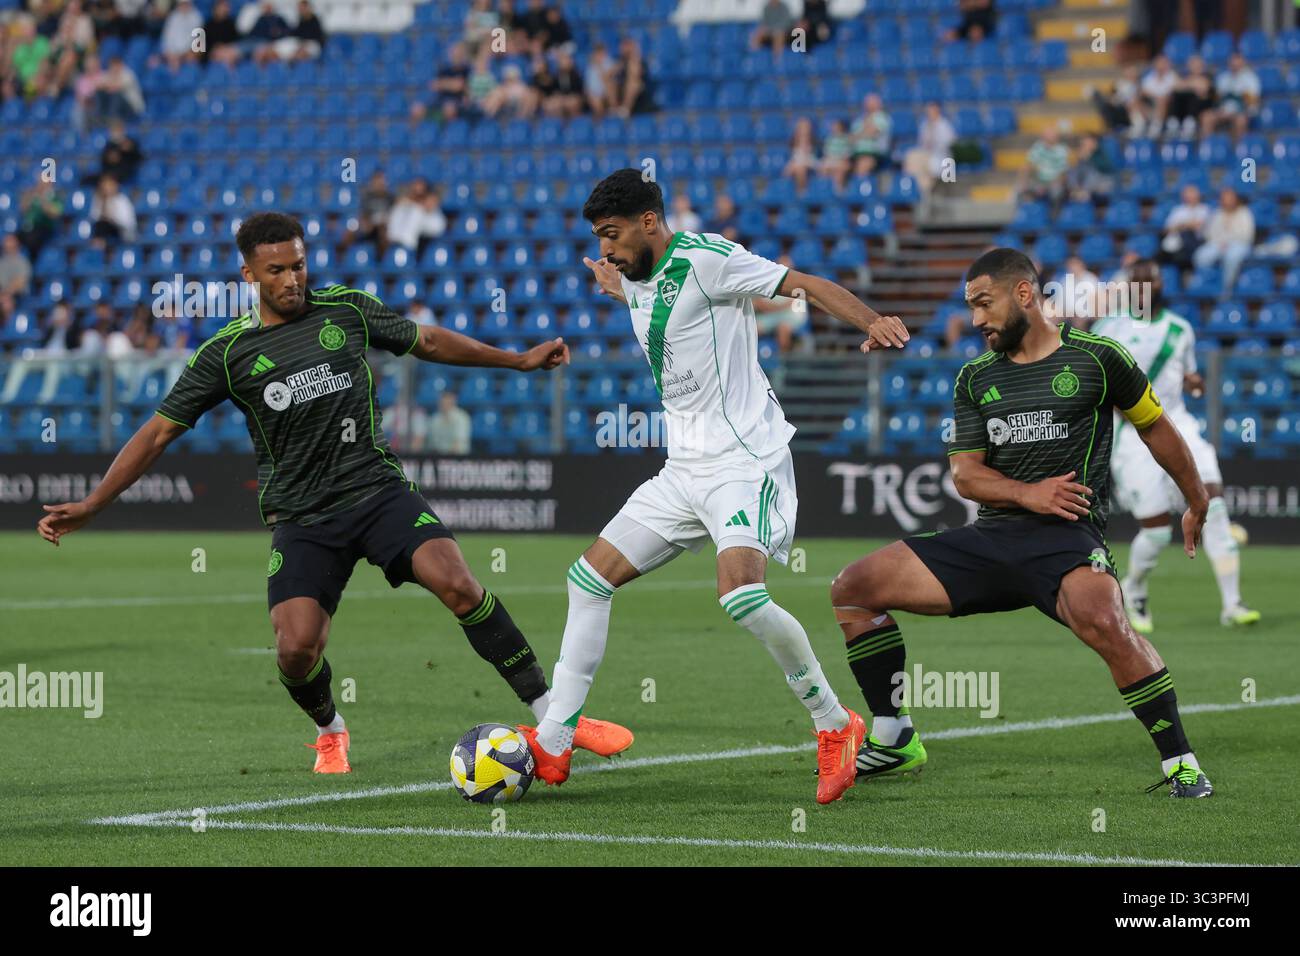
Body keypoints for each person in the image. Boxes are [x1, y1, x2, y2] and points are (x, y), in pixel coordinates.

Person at [37, 211, 632, 775]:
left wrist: (516, 361)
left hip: (376, 492)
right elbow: (159, 430)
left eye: (298, 264)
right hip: (303, 518)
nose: (292, 278)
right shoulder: (227, 354)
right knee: (296, 650)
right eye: (276, 270)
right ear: (249, 275)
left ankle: (553, 719)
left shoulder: (344, 310)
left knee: (457, 582)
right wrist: (93, 503)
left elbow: (424, 340)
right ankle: (330, 728)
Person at [521, 169, 910, 804]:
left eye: (613, 236)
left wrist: (873, 319)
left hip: (743, 463)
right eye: (599, 239)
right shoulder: (639, 278)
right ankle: (557, 736)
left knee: (740, 596)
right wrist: (616, 285)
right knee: (586, 580)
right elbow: (656, 304)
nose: (609, 249)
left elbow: (801, 284)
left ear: (651, 222)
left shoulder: (709, 259)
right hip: (683, 472)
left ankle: (835, 724)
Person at [828, 247, 1214, 798]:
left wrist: (1196, 499)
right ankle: (894, 737)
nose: (977, 319)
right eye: (972, 307)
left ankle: (1181, 762)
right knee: (853, 588)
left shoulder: (1100, 358)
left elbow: (1156, 427)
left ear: (1024, 294)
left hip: (1067, 540)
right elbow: (966, 476)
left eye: (985, 304)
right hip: (993, 537)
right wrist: (1029, 494)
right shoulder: (974, 378)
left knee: (1107, 622)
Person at [1092, 260, 1259, 633]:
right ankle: (1134, 589)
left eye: (1153, 280)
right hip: (1133, 433)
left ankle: (1232, 603)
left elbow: (1184, 374)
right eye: (1140, 281)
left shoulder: (1180, 329)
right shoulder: (1109, 329)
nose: (1147, 287)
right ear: (1130, 287)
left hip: (1179, 424)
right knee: (1155, 530)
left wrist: (1194, 382)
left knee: (1213, 502)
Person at [1192, 188, 1254, 296]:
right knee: (1200, 256)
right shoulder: (1217, 213)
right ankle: (1208, 285)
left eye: (1230, 199)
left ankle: (1226, 289)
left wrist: (1228, 242)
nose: (1227, 201)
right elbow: (1209, 234)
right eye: (1224, 199)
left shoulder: (1244, 213)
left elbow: (1247, 235)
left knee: (1232, 257)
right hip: (1218, 244)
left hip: (1239, 244)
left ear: (1235, 200)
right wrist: (1220, 243)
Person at [903, 101, 956, 202]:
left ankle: (926, 194)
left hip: (942, 157)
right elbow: (922, 143)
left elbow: (947, 143)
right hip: (927, 156)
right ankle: (920, 193)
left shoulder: (944, 125)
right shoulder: (924, 125)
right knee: (912, 157)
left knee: (932, 166)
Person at [1205, 52, 1260, 139]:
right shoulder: (1223, 78)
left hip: (1241, 112)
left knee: (1240, 121)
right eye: (1232, 62)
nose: (1234, 65)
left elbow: (1252, 102)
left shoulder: (1251, 79)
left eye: (1237, 62)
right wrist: (1220, 110)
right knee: (1207, 117)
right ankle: (1207, 148)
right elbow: (1217, 99)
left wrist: (1234, 112)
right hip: (1223, 111)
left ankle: (1239, 150)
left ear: (1242, 63)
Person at [386, 179, 447, 254]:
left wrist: (427, 211)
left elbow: (438, 229)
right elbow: (391, 233)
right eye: (415, 194)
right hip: (395, 247)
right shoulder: (401, 207)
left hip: (419, 250)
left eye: (421, 195)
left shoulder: (434, 213)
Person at [1159, 184, 1209, 270]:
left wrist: (1181, 225)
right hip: (1175, 242)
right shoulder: (1178, 210)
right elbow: (1167, 229)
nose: (1190, 197)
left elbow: (1197, 226)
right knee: (1160, 255)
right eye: (1188, 194)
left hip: (1195, 242)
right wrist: (1185, 225)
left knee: (1186, 234)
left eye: (1193, 194)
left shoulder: (1204, 209)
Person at [1019, 124, 1070, 208]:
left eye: (1052, 134)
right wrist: (1024, 182)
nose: (1049, 137)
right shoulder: (1037, 147)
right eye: (1047, 134)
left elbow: (1063, 173)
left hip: (1055, 182)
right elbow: (1028, 165)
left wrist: (1050, 184)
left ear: (1056, 136)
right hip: (1038, 180)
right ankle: (1025, 214)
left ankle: (1054, 216)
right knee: (1020, 191)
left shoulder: (1062, 150)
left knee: (1056, 192)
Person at [89, 173, 137, 248]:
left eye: (109, 185)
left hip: (121, 232)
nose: (106, 188)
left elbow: (128, 223)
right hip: (103, 231)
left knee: (103, 225)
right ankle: (98, 248)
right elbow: (93, 218)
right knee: (101, 225)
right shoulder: (98, 199)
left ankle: (99, 247)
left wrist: (111, 218)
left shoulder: (122, 200)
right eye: (104, 185)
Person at [850, 93, 891, 176]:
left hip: (875, 153)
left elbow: (872, 133)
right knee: (838, 166)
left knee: (863, 164)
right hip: (856, 153)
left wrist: (860, 134)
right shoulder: (859, 119)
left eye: (871, 102)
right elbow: (852, 138)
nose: (868, 105)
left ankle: (859, 187)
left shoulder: (882, 117)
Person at [1065, 134, 1115, 203]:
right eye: (1084, 143)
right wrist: (1079, 159)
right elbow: (1076, 172)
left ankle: (1084, 192)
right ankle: (1075, 190)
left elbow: (1106, 168)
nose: (1086, 145)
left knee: (1091, 170)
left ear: (1094, 143)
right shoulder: (1079, 154)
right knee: (1072, 169)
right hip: (1084, 183)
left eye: (1088, 142)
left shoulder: (1101, 153)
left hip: (1103, 180)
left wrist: (1090, 158)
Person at [159, 0, 203, 70]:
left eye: (186, 4)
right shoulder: (173, 17)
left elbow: (199, 44)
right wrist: (170, 55)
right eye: (182, 4)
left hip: (187, 56)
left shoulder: (197, 18)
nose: (184, 6)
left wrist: (181, 57)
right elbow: (166, 40)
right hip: (171, 56)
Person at [781, 116, 817, 193]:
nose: (804, 129)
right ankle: (785, 190)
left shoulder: (812, 139)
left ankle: (802, 190)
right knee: (788, 169)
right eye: (802, 127)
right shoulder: (794, 140)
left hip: (809, 160)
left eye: (806, 127)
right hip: (797, 161)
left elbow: (810, 154)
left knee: (801, 169)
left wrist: (805, 141)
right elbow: (794, 155)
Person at [201, 0, 243, 66]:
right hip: (212, 52)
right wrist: (215, 48)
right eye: (222, 7)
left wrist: (225, 47)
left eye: (226, 7)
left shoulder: (230, 24)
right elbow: (203, 44)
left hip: (227, 50)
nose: (224, 9)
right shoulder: (208, 25)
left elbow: (236, 40)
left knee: (230, 54)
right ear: (216, 8)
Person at [819, 118, 853, 190]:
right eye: (833, 126)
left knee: (840, 171)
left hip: (841, 161)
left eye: (837, 126)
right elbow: (826, 153)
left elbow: (847, 153)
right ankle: (823, 190)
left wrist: (840, 159)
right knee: (823, 169)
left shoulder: (846, 139)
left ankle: (838, 190)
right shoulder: (829, 139)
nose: (835, 128)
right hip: (831, 160)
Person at [0, 234, 33, 298]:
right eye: (6, 240)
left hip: (18, 297)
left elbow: (20, 283)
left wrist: (5, 294)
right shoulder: (2, 261)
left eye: (10, 240)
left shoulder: (22, 261)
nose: (7, 243)